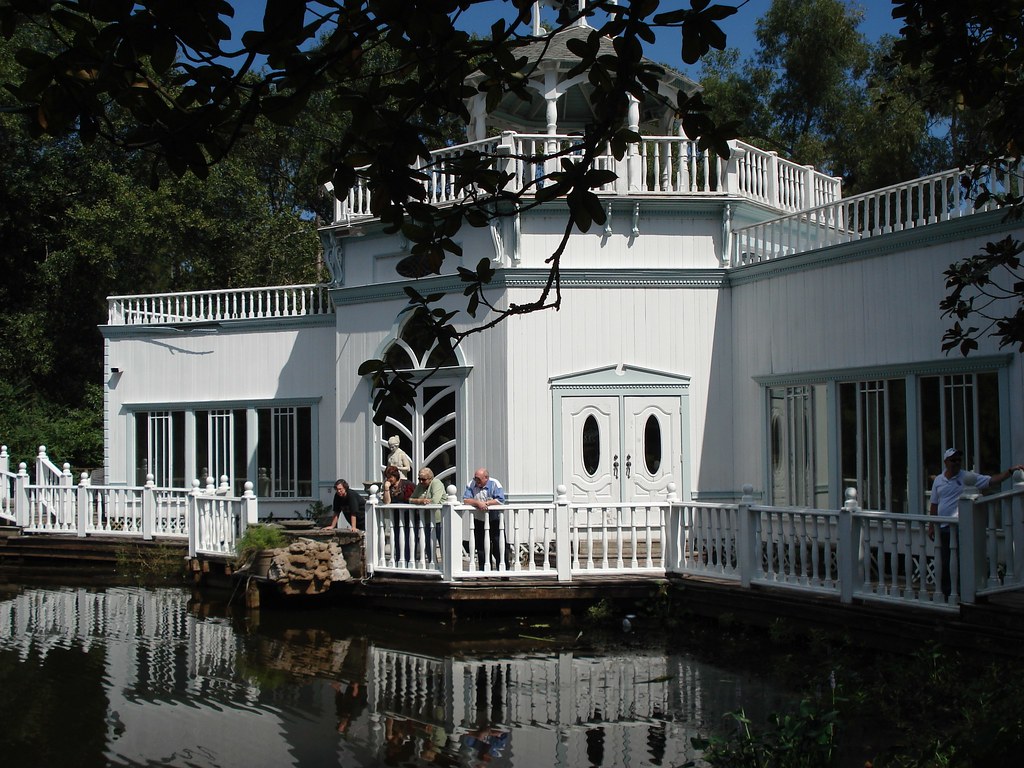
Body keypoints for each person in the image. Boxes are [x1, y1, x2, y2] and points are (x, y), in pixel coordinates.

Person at [928, 448, 1023, 597]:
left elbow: (992, 480)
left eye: (958, 460)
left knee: (961, 560)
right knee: (945, 561)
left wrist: (1010, 472)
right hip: (943, 527)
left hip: (959, 526)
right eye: (953, 460)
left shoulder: (967, 477)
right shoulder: (939, 480)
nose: (956, 463)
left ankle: (962, 591)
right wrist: (931, 526)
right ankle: (947, 592)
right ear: (946, 462)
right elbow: (934, 504)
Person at [463, 468, 506, 571]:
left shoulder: (495, 484)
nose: (476, 481)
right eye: (475, 478)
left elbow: (501, 500)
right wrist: (478, 503)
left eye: (478, 479)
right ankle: (484, 571)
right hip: (479, 519)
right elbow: (466, 499)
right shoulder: (471, 484)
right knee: (481, 547)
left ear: (486, 478)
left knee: (498, 545)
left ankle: (504, 570)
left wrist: (487, 503)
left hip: (495, 519)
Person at [410, 467, 446, 563]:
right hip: (426, 519)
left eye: (424, 479)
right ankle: (432, 564)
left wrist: (419, 501)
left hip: (439, 519)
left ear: (430, 478)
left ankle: (445, 565)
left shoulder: (436, 483)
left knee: (443, 543)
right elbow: (410, 499)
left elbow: (434, 501)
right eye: (419, 479)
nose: (421, 481)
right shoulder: (420, 485)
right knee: (428, 544)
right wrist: (421, 501)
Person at [382, 465, 416, 563]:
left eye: (390, 477)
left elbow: (413, 498)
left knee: (408, 540)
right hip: (396, 517)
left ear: (396, 476)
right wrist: (386, 488)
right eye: (387, 477)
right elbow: (387, 502)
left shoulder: (407, 484)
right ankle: (398, 561)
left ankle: (409, 561)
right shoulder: (388, 486)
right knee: (397, 540)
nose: (389, 479)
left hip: (409, 517)